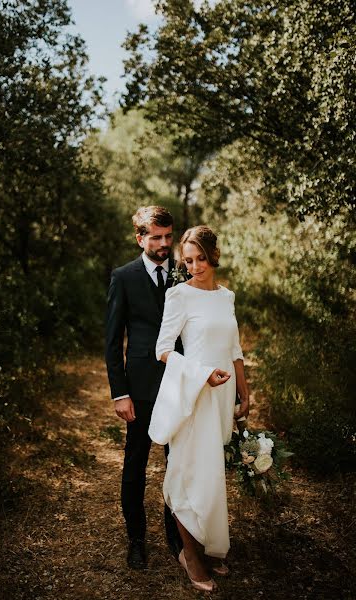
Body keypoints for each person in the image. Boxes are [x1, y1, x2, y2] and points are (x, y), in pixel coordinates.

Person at [149, 225, 249, 592]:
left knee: (210, 477)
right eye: (187, 261)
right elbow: (163, 350)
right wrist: (202, 374)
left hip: (222, 398)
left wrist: (244, 389)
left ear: (213, 255)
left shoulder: (227, 297)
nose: (194, 267)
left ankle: (205, 546)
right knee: (187, 474)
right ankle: (190, 556)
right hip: (194, 395)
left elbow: (234, 347)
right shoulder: (179, 296)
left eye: (200, 259)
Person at [105, 205, 183, 570]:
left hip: (179, 385)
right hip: (138, 389)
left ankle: (176, 535)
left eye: (168, 236)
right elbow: (112, 340)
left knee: (178, 465)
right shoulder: (123, 277)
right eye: (157, 237)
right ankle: (136, 539)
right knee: (135, 464)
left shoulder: (185, 274)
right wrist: (119, 393)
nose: (165, 243)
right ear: (140, 238)